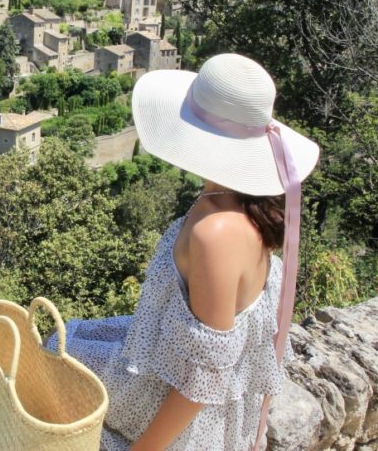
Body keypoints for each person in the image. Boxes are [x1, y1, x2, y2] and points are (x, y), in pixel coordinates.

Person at [48, 54, 320, 450]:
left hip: (173, 409)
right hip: (178, 378)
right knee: (69, 340)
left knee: (50, 360)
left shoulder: (218, 232)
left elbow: (204, 379)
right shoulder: (239, 205)